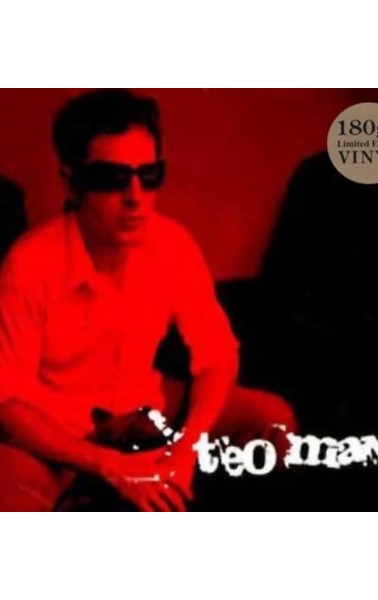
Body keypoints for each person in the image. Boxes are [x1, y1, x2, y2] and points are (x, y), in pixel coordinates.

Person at [0, 89, 296, 511]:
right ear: (71, 182)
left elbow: (217, 356)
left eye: (150, 174)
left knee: (273, 420)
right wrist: (110, 466)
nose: (135, 197)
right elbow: (8, 404)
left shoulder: (172, 243)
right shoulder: (28, 263)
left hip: (144, 408)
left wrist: (187, 448)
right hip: (56, 432)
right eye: (112, 178)